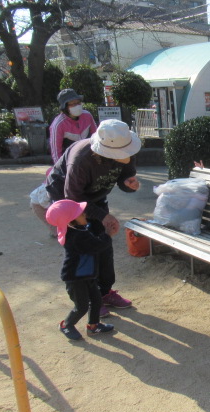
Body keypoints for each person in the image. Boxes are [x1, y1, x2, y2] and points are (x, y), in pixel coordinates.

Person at [46, 119, 141, 318]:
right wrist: (102, 215)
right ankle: (88, 298)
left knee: (104, 245)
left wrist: (129, 184)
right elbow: (73, 198)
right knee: (82, 249)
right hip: (68, 201)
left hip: (95, 197)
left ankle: (104, 292)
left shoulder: (124, 144)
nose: (125, 157)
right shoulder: (81, 160)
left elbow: (125, 176)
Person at [45, 199, 114, 340]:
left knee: (96, 300)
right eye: (81, 214)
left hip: (88, 275)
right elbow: (96, 246)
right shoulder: (75, 236)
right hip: (75, 279)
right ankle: (66, 325)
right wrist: (107, 234)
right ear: (71, 220)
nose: (85, 215)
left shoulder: (80, 229)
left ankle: (93, 325)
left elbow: (93, 242)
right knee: (81, 306)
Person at [49, 88, 97, 164]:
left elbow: (96, 137)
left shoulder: (87, 116)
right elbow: (56, 151)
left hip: (88, 159)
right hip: (69, 162)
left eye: (78, 103)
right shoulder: (58, 125)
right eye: (73, 104)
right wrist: (60, 168)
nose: (77, 106)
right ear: (65, 107)